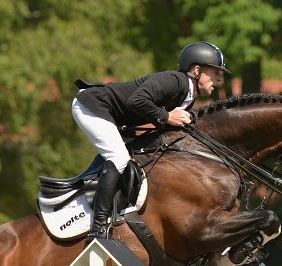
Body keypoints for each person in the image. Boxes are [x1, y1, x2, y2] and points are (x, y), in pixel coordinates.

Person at [72, 41, 229, 239]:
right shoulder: (174, 81)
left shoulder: (187, 98)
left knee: (133, 161)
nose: (218, 80)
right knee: (119, 157)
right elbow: (137, 101)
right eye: (215, 73)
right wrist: (167, 117)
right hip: (92, 105)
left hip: (115, 118)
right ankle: (98, 228)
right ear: (197, 70)